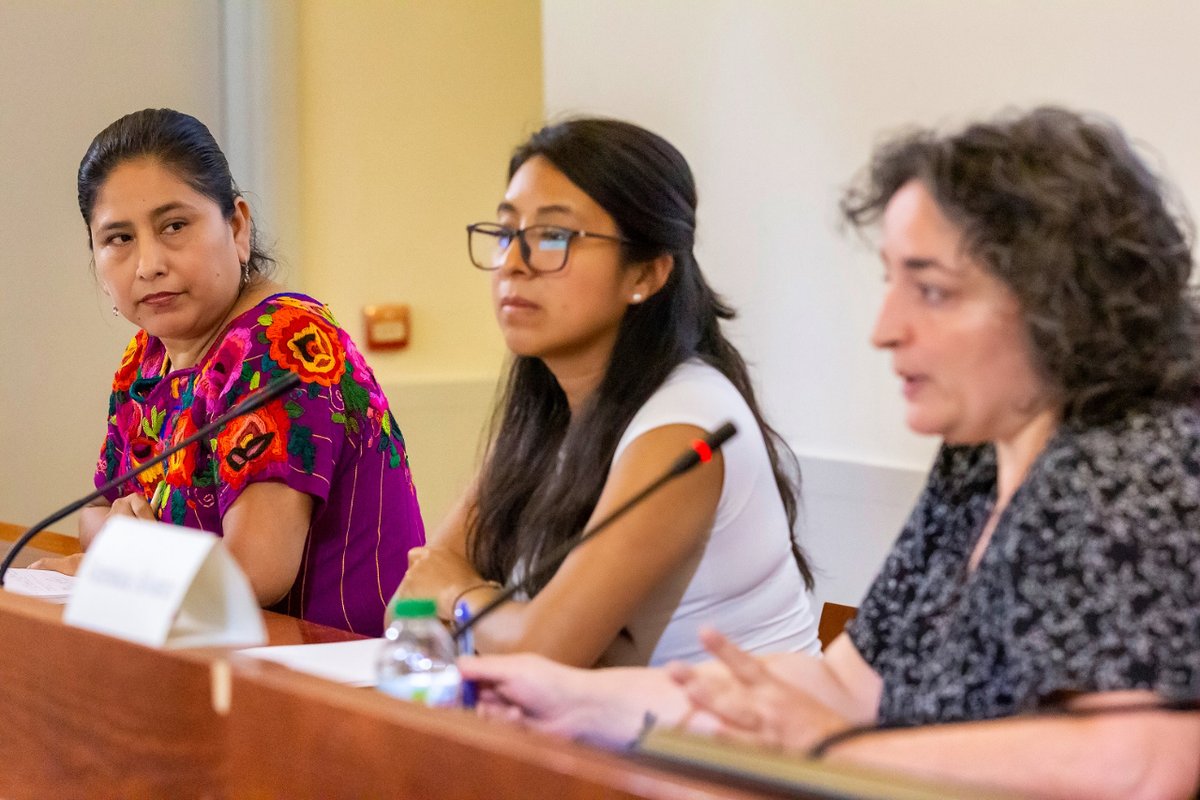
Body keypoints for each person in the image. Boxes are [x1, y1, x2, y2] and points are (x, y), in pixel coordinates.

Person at [458, 107, 1200, 799]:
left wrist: (828, 754)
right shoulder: (979, 458)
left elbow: (1136, 766)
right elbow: (846, 686)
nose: (884, 328)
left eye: (931, 291)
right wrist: (570, 697)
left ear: (1057, 304)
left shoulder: (1142, 462)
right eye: (890, 282)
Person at [391, 119, 819, 667]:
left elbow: (545, 648)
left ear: (646, 272)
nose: (513, 264)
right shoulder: (549, 405)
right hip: (595, 732)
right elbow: (408, 606)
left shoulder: (685, 428)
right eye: (505, 233)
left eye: (554, 236)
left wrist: (462, 594)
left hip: (724, 745)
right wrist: (473, 604)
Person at [33, 108, 425, 637]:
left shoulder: (282, 342)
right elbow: (96, 514)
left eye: (174, 226)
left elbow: (252, 573)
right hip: (212, 660)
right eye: (119, 239)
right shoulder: (145, 359)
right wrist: (116, 543)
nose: (148, 263)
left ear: (237, 225)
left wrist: (121, 558)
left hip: (336, 676)